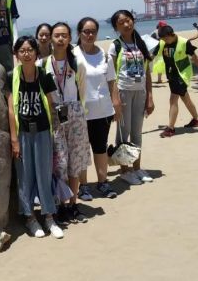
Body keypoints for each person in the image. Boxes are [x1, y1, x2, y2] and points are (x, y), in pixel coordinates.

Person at [6, 36, 64, 239]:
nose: (26, 54)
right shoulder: (12, 76)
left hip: (42, 132)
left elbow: (52, 104)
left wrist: (57, 132)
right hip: (22, 134)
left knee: (44, 174)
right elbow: (11, 110)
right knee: (25, 176)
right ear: (16, 54)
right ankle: (30, 217)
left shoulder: (44, 76)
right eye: (22, 50)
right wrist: (14, 139)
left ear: (36, 53)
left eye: (30, 50)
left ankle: (49, 216)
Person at [38, 22, 92, 223]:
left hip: (75, 114)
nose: (60, 39)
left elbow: (82, 91)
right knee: (59, 163)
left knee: (75, 163)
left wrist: (77, 109)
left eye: (64, 35)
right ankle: (60, 204)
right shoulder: (42, 64)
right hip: (54, 116)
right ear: (51, 38)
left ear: (70, 38)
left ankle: (73, 204)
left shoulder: (77, 63)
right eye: (57, 35)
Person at [74, 18, 121, 199]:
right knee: (82, 150)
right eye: (86, 31)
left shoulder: (104, 55)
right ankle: (84, 186)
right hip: (80, 112)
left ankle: (103, 183)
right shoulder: (73, 55)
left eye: (93, 31)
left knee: (100, 148)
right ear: (79, 33)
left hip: (103, 110)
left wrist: (116, 103)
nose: (90, 35)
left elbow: (111, 81)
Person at [108, 10, 155, 186]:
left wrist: (150, 97)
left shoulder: (141, 43)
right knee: (123, 132)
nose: (126, 25)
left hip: (140, 92)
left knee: (137, 132)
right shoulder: (115, 45)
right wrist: (114, 99)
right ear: (116, 28)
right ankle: (125, 170)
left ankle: (137, 168)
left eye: (128, 20)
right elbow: (111, 75)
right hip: (123, 92)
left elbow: (147, 72)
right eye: (121, 23)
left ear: (133, 21)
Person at [154, 26, 198, 138]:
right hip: (171, 75)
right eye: (162, 39)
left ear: (171, 34)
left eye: (166, 38)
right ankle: (197, 119)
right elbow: (151, 56)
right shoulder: (162, 42)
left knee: (173, 99)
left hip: (182, 74)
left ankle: (170, 128)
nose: (164, 41)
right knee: (185, 98)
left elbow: (195, 58)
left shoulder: (184, 42)